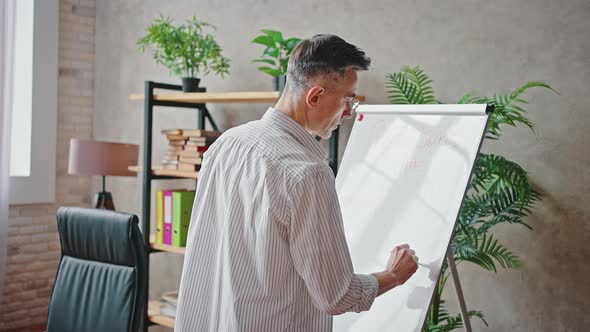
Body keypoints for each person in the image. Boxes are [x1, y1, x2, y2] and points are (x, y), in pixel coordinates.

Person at [175, 34, 419, 332]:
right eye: (347, 99)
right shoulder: (307, 173)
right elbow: (336, 295)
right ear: (314, 96)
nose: (348, 112)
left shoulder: (226, 145)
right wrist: (392, 275)